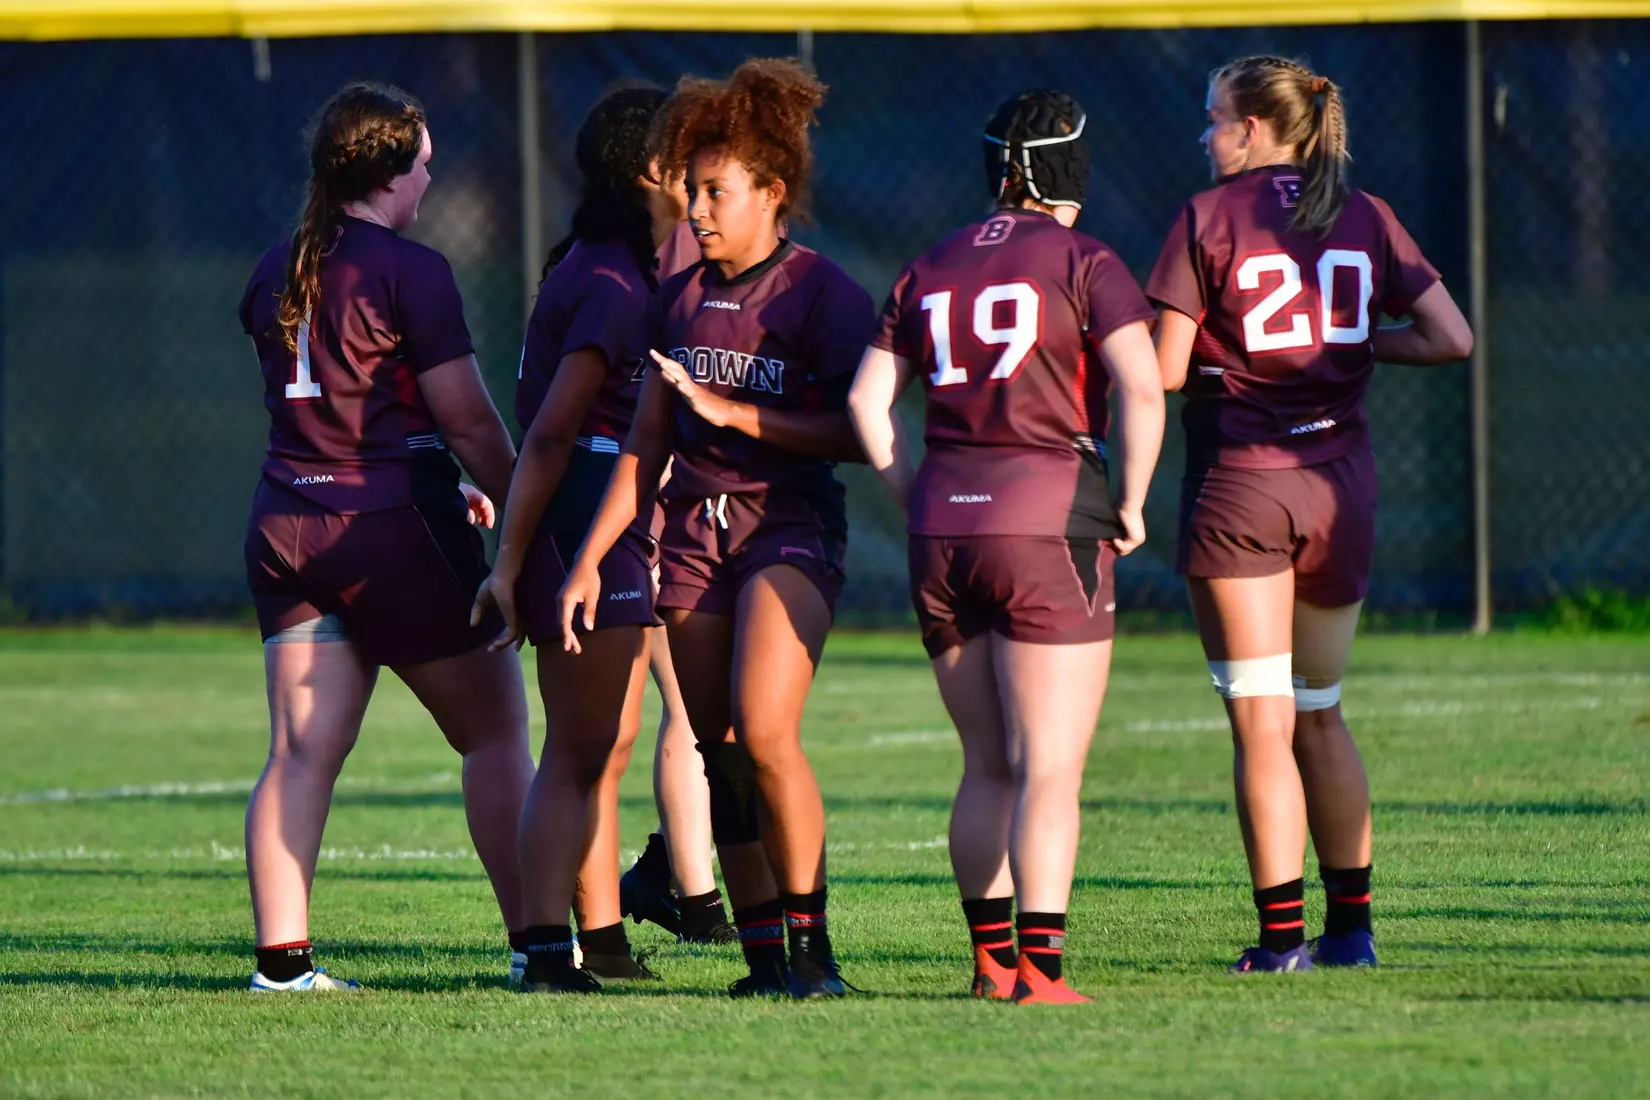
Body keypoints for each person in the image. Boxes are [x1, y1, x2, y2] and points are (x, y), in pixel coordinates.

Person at [1147, 57, 1473, 972]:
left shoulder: (1207, 217)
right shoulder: (1362, 211)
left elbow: (1167, 371)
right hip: (1340, 487)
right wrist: (1358, 344)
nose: (1205, 136)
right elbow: (1454, 337)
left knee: (1261, 723)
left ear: (1253, 130)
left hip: (1244, 486)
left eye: (1215, 120)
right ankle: (1352, 933)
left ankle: (1283, 939)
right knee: (1320, 712)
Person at [558, 57, 874, 999]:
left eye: (715, 191)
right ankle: (765, 959)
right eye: (690, 191)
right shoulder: (681, 296)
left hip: (787, 528)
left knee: (768, 732)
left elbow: (867, 431)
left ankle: (815, 955)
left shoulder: (822, 294)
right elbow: (643, 446)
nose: (695, 208)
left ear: (772, 192)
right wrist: (587, 561)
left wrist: (741, 418)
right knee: (718, 751)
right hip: (693, 536)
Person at [849, 90, 1164, 1004]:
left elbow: (868, 406)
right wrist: (1134, 502)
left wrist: (917, 498)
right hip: (1047, 521)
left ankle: (990, 967)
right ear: (1070, 168)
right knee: (1049, 770)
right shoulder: (1086, 259)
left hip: (943, 530)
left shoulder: (930, 262)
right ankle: (1041, 973)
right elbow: (1142, 392)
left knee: (986, 764)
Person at [238, 82, 534, 991]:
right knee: (494, 730)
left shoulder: (273, 265)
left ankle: (283, 966)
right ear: (390, 173)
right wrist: (525, 508)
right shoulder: (412, 269)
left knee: (298, 752)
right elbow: (470, 424)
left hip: (286, 522)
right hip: (386, 524)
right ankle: (538, 945)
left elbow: (341, 411)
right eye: (425, 169)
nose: (430, 185)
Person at [470, 87, 729, 993]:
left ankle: (597, 938)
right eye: (688, 156)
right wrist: (511, 564)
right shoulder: (615, 282)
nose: (702, 177)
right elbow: (548, 433)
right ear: (652, 170)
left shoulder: (616, 266)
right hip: (582, 515)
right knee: (579, 750)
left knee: (603, 744)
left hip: (601, 516)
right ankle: (545, 951)